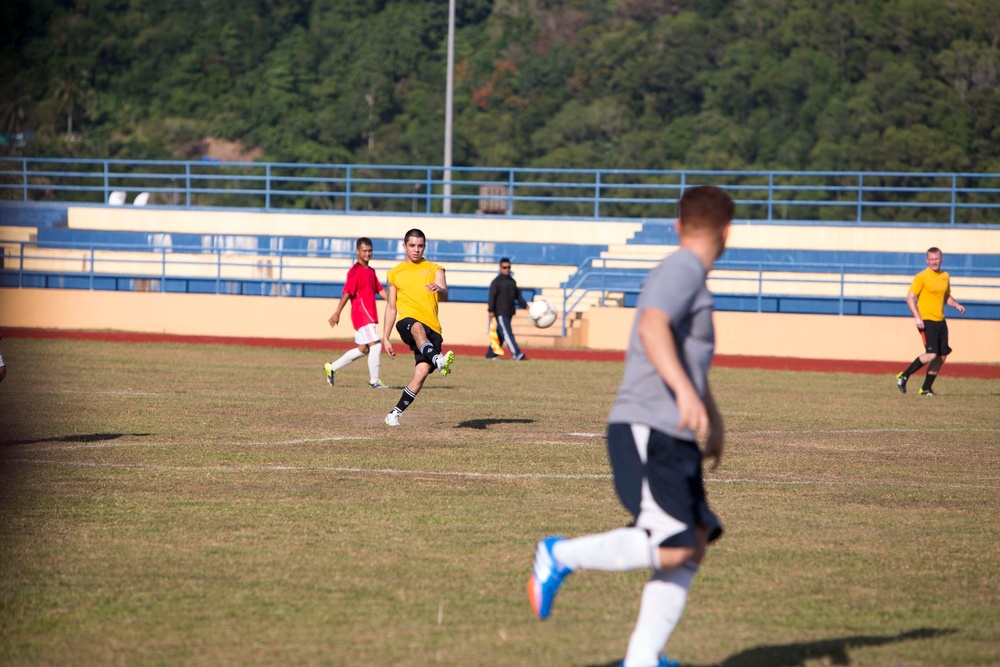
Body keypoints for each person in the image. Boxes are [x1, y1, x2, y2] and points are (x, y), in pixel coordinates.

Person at [527, 185, 733, 667]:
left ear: (679, 225)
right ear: (728, 232)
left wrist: (714, 417)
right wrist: (684, 393)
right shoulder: (682, 268)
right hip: (648, 427)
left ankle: (643, 658)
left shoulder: (691, 277)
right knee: (677, 544)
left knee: (695, 540)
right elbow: (652, 327)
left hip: (670, 431)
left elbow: (682, 354)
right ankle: (560, 556)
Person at [381, 229, 455, 426]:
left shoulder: (434, 268)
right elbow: (391, 306)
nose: (416, 250)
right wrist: (385, 337)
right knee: (416, 327)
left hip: (433, 328)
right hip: (408, 321)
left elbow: (445, 293)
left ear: (425, 247)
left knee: (421, 372)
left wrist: (439, 289)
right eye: (412, 246)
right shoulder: (394, 273)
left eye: (420, 246)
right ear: (404, 246)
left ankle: (394, 414)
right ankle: (439, 359)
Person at [895, 247, 965, 397]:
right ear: (927, 260)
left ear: (941, 259)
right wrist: (917, 317)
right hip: (926, 321)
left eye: (937, 258)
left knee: (942, 356)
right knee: (932, 354)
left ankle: (926, 388)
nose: (934, 262)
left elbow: (946, 296)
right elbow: (910, 297)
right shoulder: (921, 277)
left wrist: (956, 304)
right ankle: (904, 375)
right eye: (931, 259)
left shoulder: (945, 276)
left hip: (941, 321)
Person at [324, 237, 391, 389]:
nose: (367, 253)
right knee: (375, 346)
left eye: (370, 250)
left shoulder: (371, 271)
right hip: (362, 315)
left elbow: (379, 290)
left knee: (363, 349)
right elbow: (347, 293)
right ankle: (374, 381)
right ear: (357, 252)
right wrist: (337, 312)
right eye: (364, 251)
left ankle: (332, 367)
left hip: (369, 315)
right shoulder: (354, 272)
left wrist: (393, 302)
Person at [485, 257, 528, 360]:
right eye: (504, 267)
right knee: (507, 333)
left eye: (508, 267)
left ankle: (491, 354)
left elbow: (518, 296)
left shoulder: (512, 282)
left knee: (500, 334)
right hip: (500, 312)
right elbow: (492, 297)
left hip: (509, 312)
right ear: (500, 268)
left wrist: (525, 306)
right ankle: (516, 353)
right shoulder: (496, 282)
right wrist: (491, 310)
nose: (507, 269)